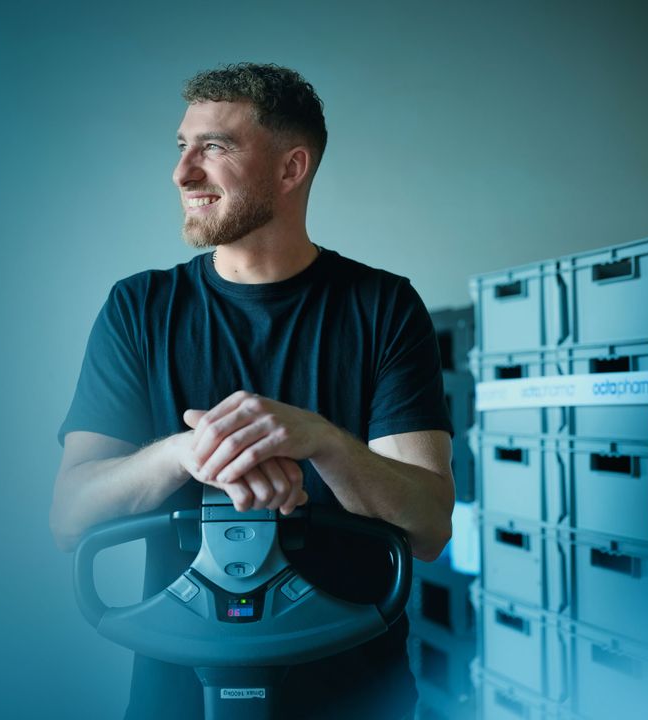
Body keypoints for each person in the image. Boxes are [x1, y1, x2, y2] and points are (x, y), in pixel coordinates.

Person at [50, 63, 455, 720]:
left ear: (290, 170)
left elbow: (430, 526)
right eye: (182, 147)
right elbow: (70, 516)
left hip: (356, 697)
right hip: (175, 698)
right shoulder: (139, 308)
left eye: (213, 147)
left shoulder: (384, 306)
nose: (183, 174)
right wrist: (190, 452)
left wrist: (321, 441)